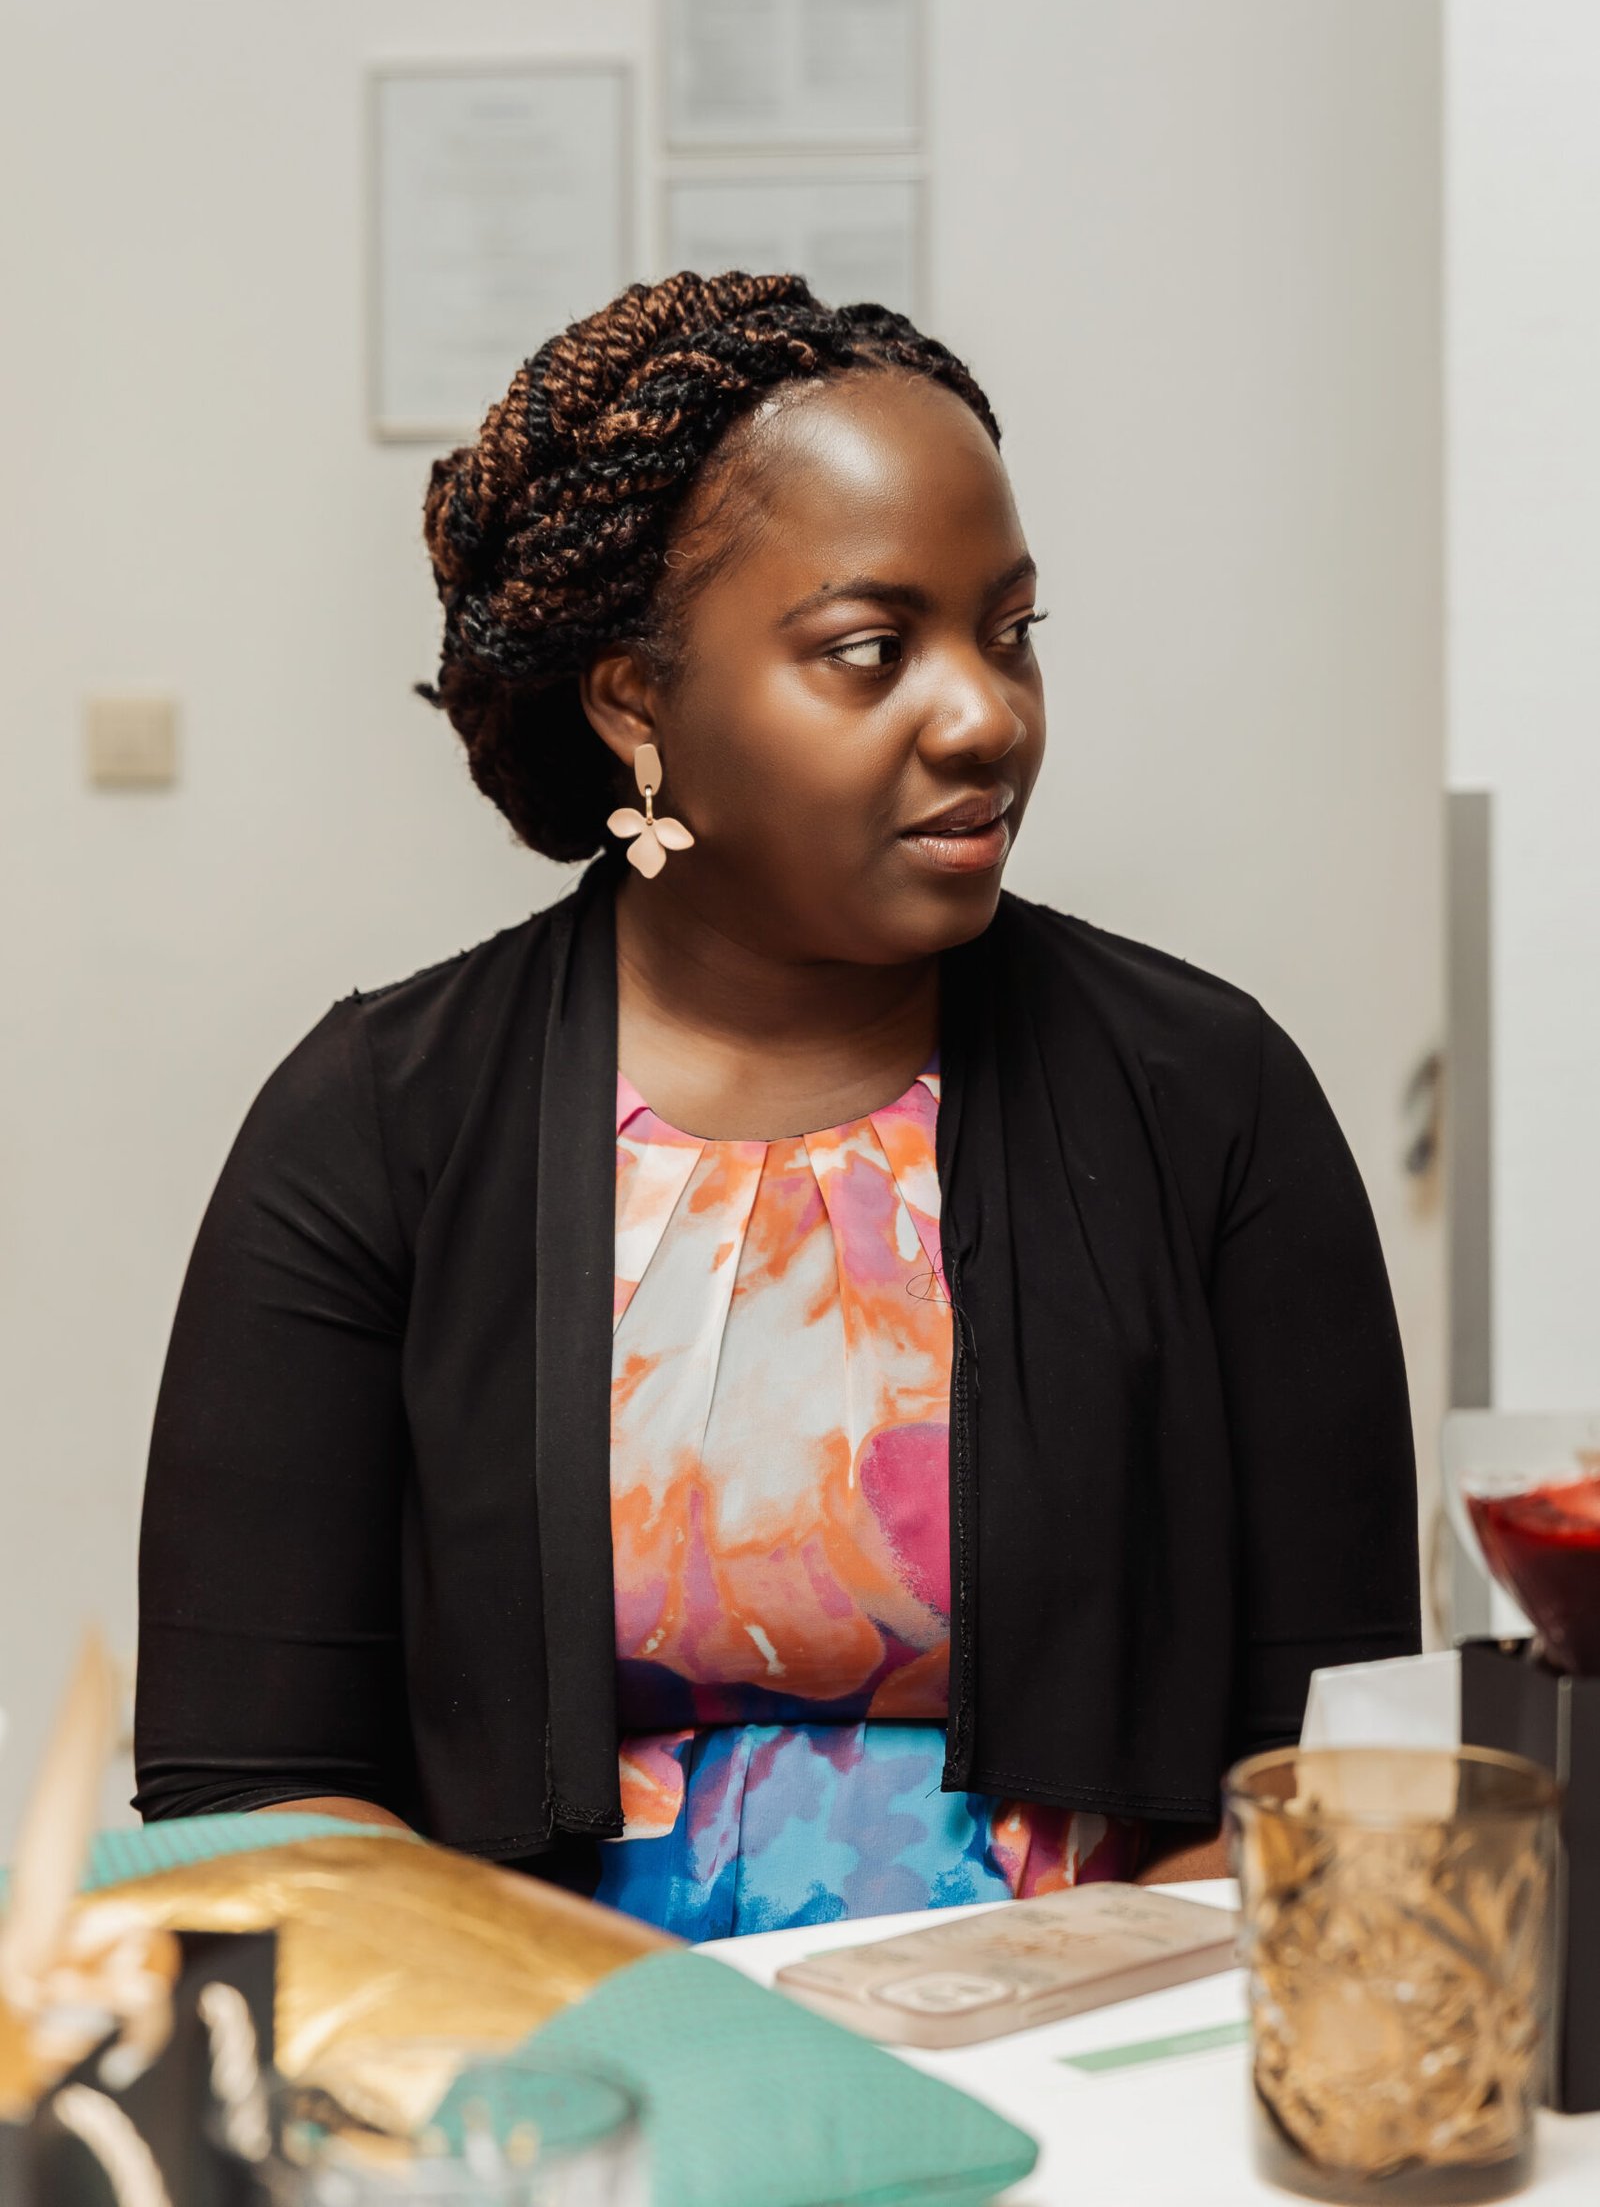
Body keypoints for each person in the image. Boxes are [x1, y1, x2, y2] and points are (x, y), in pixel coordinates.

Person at [133, 271, 1421, 1941]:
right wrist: (601, 2054)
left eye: (1011, 632)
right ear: (635, 702)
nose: (987, 715)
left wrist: (1075, 2024)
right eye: (872, 652)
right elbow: (249, 1789)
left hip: (1098, 2046)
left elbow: (1332, 1762)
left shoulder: (1208, 1100)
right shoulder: (375, 1128)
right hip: (548, 2063)